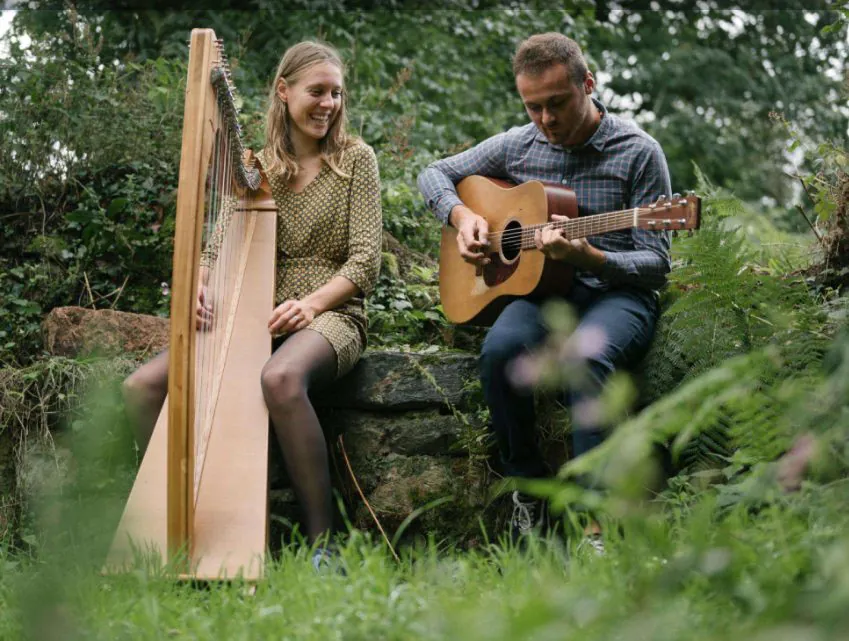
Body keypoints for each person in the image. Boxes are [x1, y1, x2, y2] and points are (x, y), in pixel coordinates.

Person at [122, 41, 383, 569]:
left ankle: (325, 544)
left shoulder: (356, 159)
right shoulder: (255, 169)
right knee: (142, 386)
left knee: (280, 379)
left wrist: (310, 305)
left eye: (336, 93)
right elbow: (214, 250)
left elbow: (365, 262)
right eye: (317, 91)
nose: (328, 104)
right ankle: (182, 518)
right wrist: (199, 283)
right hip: (255, 313)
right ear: (284, 92)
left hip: (331, 314)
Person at [417, 33, 672, 551]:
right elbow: (434, 173)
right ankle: (528, 491)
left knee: (586, 358)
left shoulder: (639, 152)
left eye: (557, 103)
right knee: (499, 353)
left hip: (617, 293)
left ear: (588, 84)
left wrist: (590, 258)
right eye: (532, 106)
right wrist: (462, 217)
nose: (546, 119)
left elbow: (656, 264)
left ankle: (595, 527)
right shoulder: (520, 143)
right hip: (542, 294)